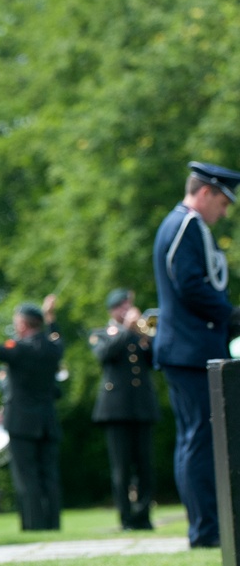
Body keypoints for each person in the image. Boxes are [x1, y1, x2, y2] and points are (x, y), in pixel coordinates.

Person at [152, 161, 240, 549]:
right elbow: (190, 284)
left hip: (186, 348)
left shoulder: (179, 223)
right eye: (222, 203)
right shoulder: (186, 225)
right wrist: (230, 315)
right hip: (190, 350)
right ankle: (205, 531)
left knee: (194, 439)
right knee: (200, 440)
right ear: (205, 192)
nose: (223, 213)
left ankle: (205, 527)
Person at [0, 288, 63, 531]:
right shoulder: (53, 349)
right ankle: (52, 525)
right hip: (47, 421)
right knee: (49, 476)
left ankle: (33, 525)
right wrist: (51, 318)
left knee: (27, 478)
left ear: (22, 325)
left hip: (21, 422)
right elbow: (58, 338)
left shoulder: (18, 349)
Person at [90, 288, 158, 531]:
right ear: (113, 310)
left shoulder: (141, 332)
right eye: (121, 306)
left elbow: (154, 361)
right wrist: (128, 331)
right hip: (116, 410)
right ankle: (127, 518)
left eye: (128, 304)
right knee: (121, 468)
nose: (126, 309)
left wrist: (146, 336)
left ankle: (143, 516)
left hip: (142, 406)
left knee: (145, 466)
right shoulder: (102, 333)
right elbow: (104, 356)